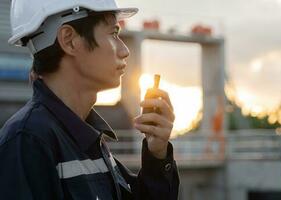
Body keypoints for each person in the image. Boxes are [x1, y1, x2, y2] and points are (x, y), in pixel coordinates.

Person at [0, 0, 179, 199]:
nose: (124, 50)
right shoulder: (27, 142)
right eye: (113, 34)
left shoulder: (84, 137)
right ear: (69, 40)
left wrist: (157, 153)